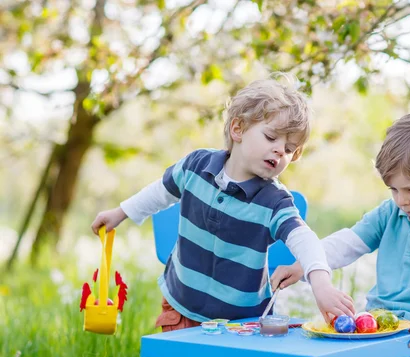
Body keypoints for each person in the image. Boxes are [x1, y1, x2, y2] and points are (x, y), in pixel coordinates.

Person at [91, 74, 354, 332]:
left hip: (241, 325)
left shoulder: (275, 202)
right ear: (237, 129)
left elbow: (303, 239)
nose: (279, 151)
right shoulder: (196, 166)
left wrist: (321, 284)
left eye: (288, 149)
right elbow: (161, 192)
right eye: (272, 138)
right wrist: (121, 212)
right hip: (181, 306)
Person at [271, 113, 410, 357]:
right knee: (331, 352)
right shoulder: (390, 212)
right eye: (394, 190)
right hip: (380, 326)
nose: (401, 200)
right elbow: (348, 243)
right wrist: (303, 265)